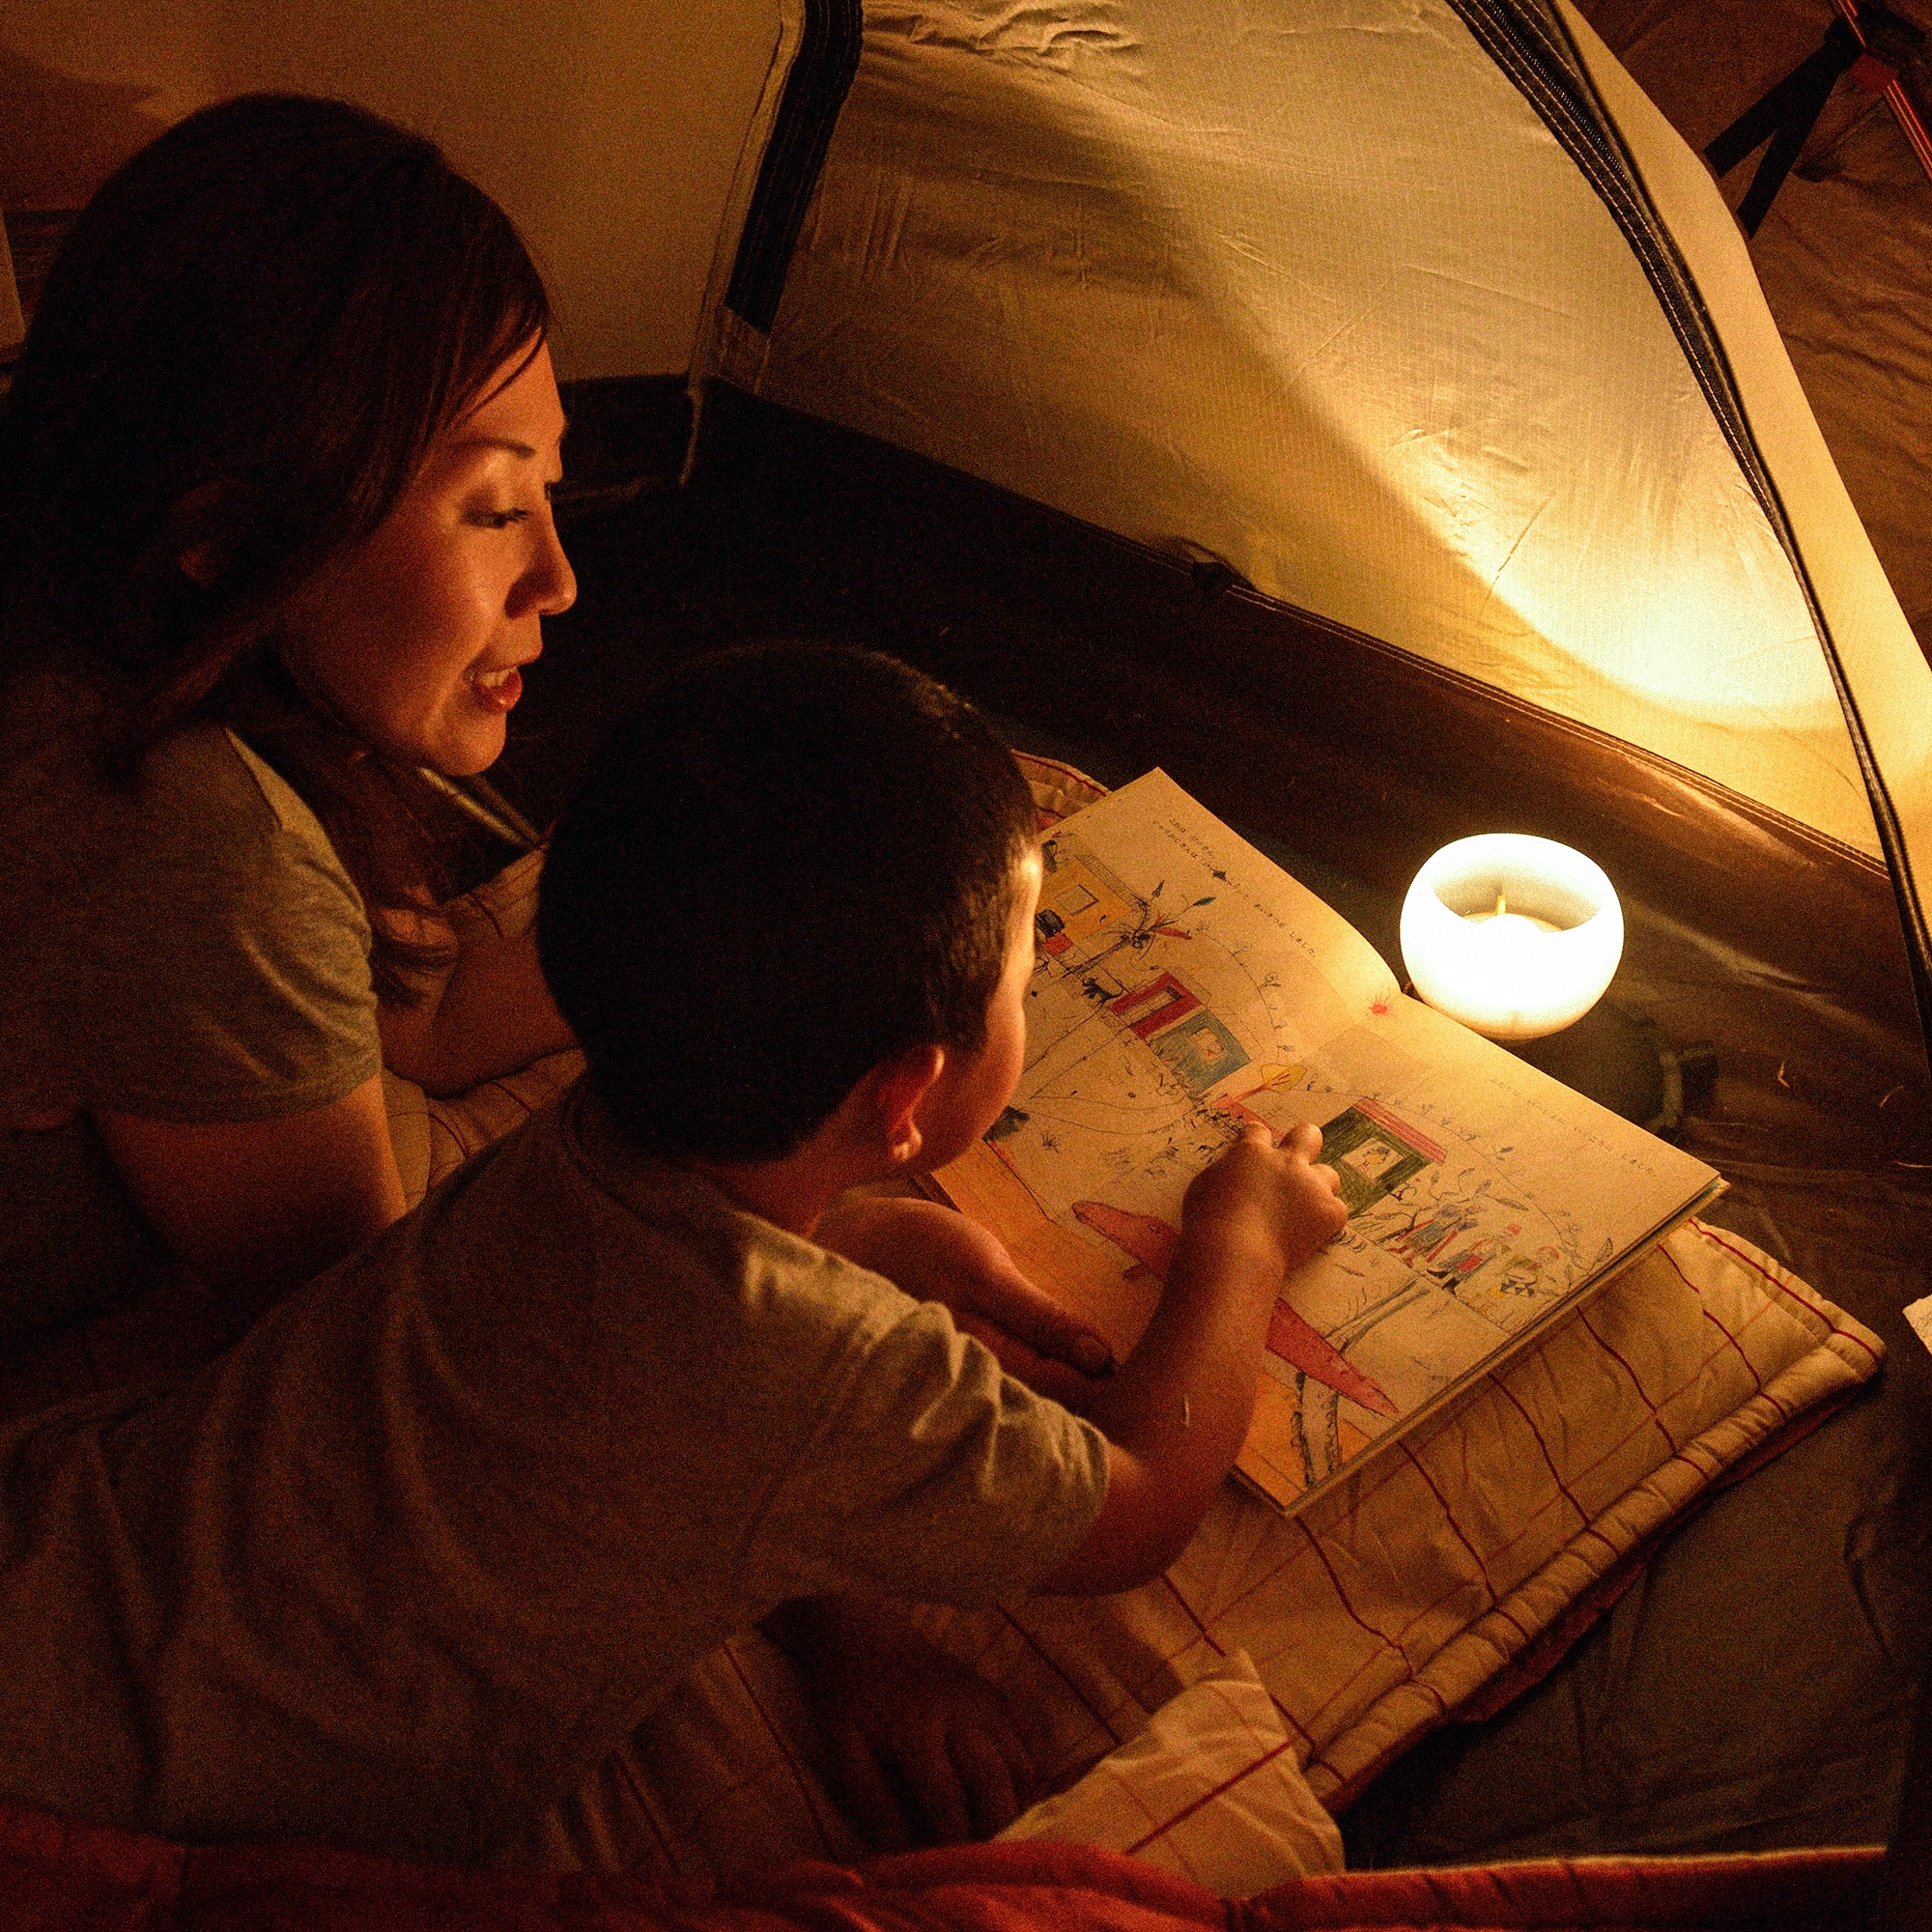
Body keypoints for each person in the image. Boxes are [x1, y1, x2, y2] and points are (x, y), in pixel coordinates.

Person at [0, 643, 1348, 1868]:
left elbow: (645, 1420)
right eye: (1020, 974)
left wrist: (862, 1238)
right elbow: (1142, 1506)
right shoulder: (836, 1377)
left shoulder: (575, 1149)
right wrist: (1241, 1239)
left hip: (71, 1560)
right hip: (130, 1808)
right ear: (907, 1095)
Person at [0, 94, 582, 1362]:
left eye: (551, 488)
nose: (558, 580)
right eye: (494, 509)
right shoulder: (191, 840)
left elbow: (425, 1019)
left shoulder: (191, 663)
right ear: (225, 535)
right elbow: (374, 1356)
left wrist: (727, 933)